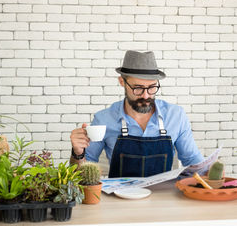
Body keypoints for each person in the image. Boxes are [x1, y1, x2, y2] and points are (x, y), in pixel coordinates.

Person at [70, 50, 204, 178]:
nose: (146, 96)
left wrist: (211, 173)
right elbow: (82, 174)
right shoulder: (103, 119)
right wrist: (77, 154)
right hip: (119, 198)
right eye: (138, 88)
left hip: (163, 197)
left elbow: (192, 161)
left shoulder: (176, 116)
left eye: (152, 87)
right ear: (122, 82)